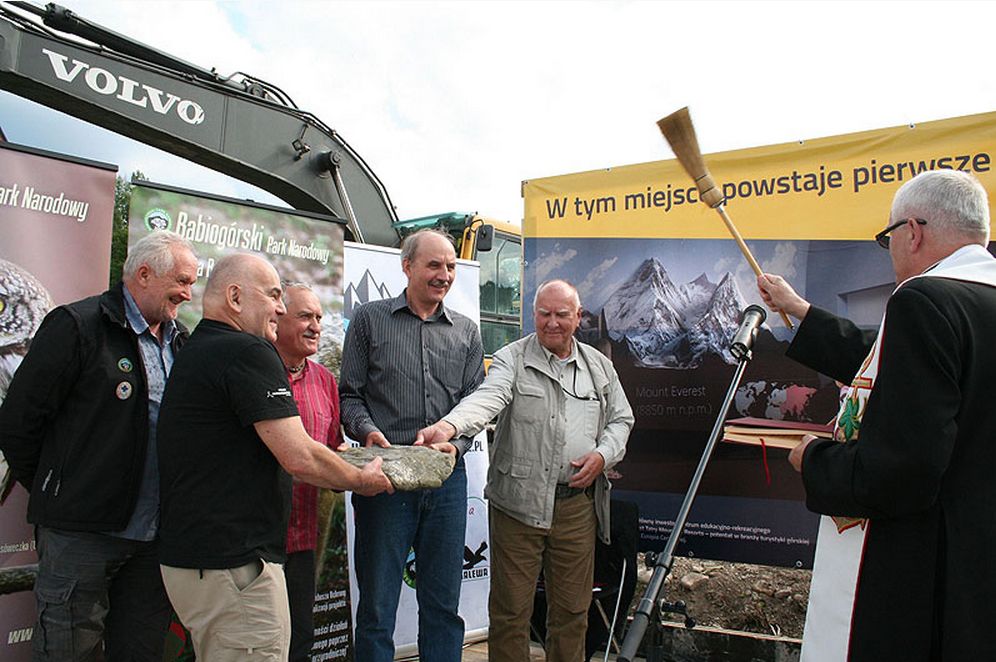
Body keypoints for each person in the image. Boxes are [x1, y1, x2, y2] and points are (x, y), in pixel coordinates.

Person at [756, 169, 996, 662]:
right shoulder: (977, 301)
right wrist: (801, 310)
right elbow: (900, 368)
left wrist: (816, 459)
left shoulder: (922, 300)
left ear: (913, 231)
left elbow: (900, 470)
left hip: (920, 574)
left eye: (887, 237)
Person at [157, 253, 392, 662]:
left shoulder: (198, 347)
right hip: (235, 568)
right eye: (273, 295)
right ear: (234, 296)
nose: (280, 308)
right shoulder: (247, 351)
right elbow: (299, 455)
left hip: (199, 563)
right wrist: (361, 479)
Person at [0, 231, 197, 661]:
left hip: (152, 541)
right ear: (144, 274)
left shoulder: (182, 342)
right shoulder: (77, 325)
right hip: (81, 538)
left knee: (141, 652)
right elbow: (18, 423)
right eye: (182, 281)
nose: (188, 292)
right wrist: (62, 491)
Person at [418, 279, 634, 662]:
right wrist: (451, 426)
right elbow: (489, 397)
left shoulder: (600, 368)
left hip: (577, 508)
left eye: (561, 315)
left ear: (578, 317)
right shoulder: (510, 359)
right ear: (533, 314)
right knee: (510, 613)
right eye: (544, 314)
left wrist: (603, 455)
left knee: (571, 612)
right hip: (517, 508)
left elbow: (621, 420)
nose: (552, 323)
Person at [339, 228, 485, 662]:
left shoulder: (467, 332)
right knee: (378, 608)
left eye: (451, 266)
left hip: (445, 481)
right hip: (384, 479)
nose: (444, 275)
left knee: (443, 606)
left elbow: (475, 404)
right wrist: (367, 431)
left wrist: (456, 444)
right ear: (407, 266)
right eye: (434, 265)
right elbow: (348, 395)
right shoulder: (369, 319)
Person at [273, 282, 343, 662]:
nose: (315, 325)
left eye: (318, 317)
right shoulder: (255, 372)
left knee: (300, 637)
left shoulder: (324, 381)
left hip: (304, 538)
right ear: (277, 317)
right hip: (257, 541)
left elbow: (332, 448)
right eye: (305, 316)